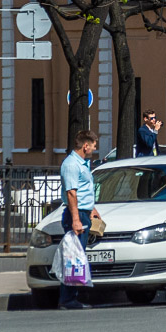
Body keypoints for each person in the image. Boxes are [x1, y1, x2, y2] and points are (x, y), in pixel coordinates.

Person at [59, 129, 101, 309]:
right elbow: (71, 193)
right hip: (75, 215)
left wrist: (91, 208)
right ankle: (67, 299)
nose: (94, 149)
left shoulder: (83, 163)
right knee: (73, 257)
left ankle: (72, 296)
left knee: (77, 256)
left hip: (83, 212)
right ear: (85, 146)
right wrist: (76, 219)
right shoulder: (71, 164)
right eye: (93, 146)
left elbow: (84, 190)